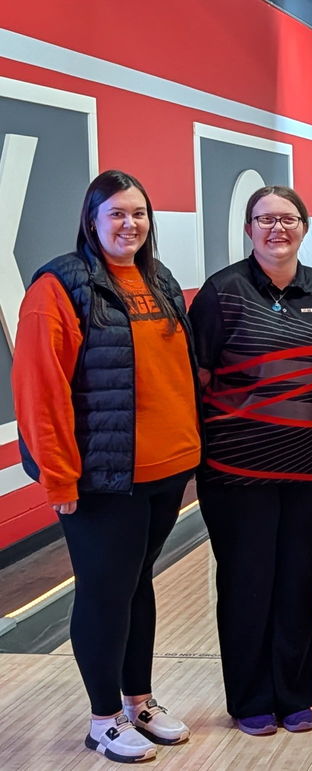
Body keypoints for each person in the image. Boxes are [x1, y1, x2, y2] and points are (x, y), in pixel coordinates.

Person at [12, 170, 199, 763]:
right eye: (116, 213)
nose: (130, 224)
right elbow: (40, 390)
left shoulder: (158, 279)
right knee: (103, 592)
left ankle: (139, 701)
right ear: (91, 220)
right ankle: (103, 717)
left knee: (136, 586)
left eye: (139, 213)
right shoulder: (59, 286)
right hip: (104, 475)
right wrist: (57, 475)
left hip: (167, 468)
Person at [188, 185, 312, 736]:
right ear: (248, 229)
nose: (276, 229)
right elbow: (201, 375)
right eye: (265, 220)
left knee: (299, 580)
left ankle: (294, 694)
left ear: (304, 227)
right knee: (246, 580)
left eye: (287, 219)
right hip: (236, 470)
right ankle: (251, 698)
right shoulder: (221, 292)